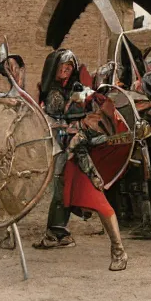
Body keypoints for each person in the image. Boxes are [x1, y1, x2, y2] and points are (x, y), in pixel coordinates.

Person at [59, 91, 130, 271]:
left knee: (102, 206)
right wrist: (93, 174)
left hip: (90, 168)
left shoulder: (112, 121)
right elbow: (78, 148)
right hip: (81, 167)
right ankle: (118, 251)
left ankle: (119, 251)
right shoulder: (88, 124)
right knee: (100, 206)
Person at [33, 48, 90, 249]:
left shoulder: (71, 89)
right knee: (60, 187)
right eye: (62, 66)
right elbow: (51, 118)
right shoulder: (52, 91)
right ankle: (57, 232)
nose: (66, 70)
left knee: (64, 187)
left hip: (71, 144)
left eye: (69, 67)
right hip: (58, 143)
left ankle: (57, 232)